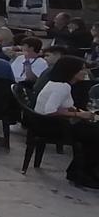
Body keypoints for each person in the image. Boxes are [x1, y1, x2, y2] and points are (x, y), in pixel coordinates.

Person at [34, 55, 99, 188]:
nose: (85, 73)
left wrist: (82, 113)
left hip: (50, 123)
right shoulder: (62, 87)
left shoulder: (59, 84)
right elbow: (50, 110)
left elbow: (65, 105)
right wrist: (78, 114)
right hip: (52, 126)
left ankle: (81, 171)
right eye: (82, 70)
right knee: (94, 135)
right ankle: (84, 173)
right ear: (72, 71)